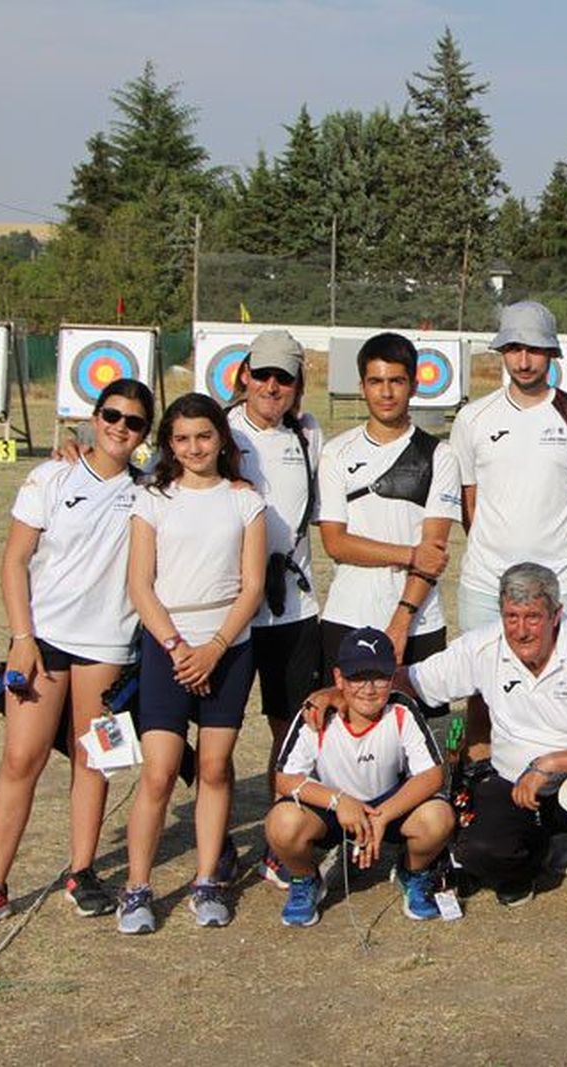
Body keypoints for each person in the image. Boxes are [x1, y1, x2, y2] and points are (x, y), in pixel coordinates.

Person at [0, 380, 155, 934]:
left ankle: (82, 872)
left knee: (93, 759)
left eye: (134, 422)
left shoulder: (149, 489)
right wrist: (22, 636)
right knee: (22, 757)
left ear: (145, 435)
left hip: (108, 644)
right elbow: (15, 560)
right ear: (94, 416)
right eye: (112, 415)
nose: (120, 428)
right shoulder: (50, 476)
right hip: (44, 640)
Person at [403, 563, 567, 936]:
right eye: (511, 617)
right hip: (513, 779)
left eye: (533, 617)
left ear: (557, 615)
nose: (520, 629)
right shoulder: (482, 646)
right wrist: (342, 691)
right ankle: (529, 865)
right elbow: (414, 681)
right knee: (478, 850)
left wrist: (550, 763)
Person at [120, 393, 267, 933]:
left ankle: (208, 880)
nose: (194, 448)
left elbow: (252, 586)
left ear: (221, 439)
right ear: (168, 444)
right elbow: (140, 583)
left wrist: (215, 647)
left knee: (213, 767)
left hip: (228, 648)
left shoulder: (244, 500)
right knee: (158, 773)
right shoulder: (152, 499)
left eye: (204, 436)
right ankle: (137, 888)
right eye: (181, 439)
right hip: (168, 648)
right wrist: (179, 649)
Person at [267, 627, 453, 927]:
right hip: (331, 810)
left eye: (379, 677)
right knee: (281, 822)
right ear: (338, 678)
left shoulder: (402, 709)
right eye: (356, 677)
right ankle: (306, 880)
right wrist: (339, 802)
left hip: (387, 806)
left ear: (392, 677)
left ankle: (413, 873)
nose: (368, 688)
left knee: (439, 817)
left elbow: (432, 775)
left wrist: (380, 817)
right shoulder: (315, 714)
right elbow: (285, 779)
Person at [225, 330, 325, 880]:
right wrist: (75, 444)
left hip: (294, 610)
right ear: (244, 374)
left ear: (296, 386)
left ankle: (277, 835)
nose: (270, 386)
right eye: (261, 374)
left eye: (282, 377)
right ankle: (216, 846)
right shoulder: (214, 430)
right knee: (218, 736)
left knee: (290, 733)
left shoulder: (308, 434)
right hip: (230, 610)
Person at [451, 300, 567, 629]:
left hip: (559, 585)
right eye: (513, 349)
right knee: (481, 681)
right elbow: (469, 499)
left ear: (552, 352)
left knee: (557, 679)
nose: (523, 362)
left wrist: (553, 536)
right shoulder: (472, 418)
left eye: (534, 350)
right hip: (485, 587)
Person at [315, 332, 458, 681]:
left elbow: (434, 550)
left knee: (422, 730)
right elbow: (335, 542)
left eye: (397, 381)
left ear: (413, 385)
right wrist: (410, 554)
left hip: (418, 622)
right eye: (376, 381)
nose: (386, 392)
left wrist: (400, 621)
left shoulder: (440, 455)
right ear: (362, 386)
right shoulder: (336, 452)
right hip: (346, 615)